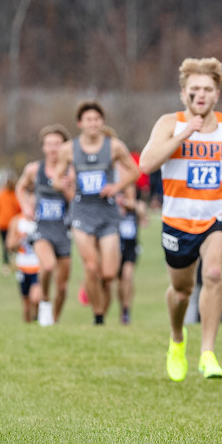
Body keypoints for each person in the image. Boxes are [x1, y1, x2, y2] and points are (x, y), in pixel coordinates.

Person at [139, 57, 222, 381]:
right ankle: (177, 339)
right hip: (178, 221)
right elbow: (146, 164)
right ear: (183, 93)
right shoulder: (170, 123)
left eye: (208, 89)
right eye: (195, 89)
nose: (201, 95)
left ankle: (208, 353)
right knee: (182, 291)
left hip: (218, 215)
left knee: (213, 273)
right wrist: (183, 134)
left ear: (217, 94)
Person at [55, 102, 140, 326]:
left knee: (109, 274)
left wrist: (117, 186)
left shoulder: (114, 147)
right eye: (88, 120)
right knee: (91, 266)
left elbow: (134, 171)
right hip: (81, 212)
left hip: (108, 213)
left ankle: (97, 297)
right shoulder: (69, 149)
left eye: (96, 119)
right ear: (80, 123)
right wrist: (63, 184)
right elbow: (56, 178)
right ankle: (98, 315)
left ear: (102, 122)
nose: (93, 123)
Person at [17, 124, 75, 326]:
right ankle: (45, 302)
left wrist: (66, 189)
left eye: (57, 144)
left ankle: (54, 320)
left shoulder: (70, 171)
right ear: (43, 147)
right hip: (42, 229)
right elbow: (20, 188)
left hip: (63, 231)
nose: (53, 148)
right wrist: (26, 206)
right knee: (48, 266)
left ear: (65, 146)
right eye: (49, 144)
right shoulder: (34, 169)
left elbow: (75, 200)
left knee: (62, 286)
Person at [115, 184, 145, 325]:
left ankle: (126, 310)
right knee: (120, 281)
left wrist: (129, 205)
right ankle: (123, 308)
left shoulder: (136, 206)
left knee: (127, 275)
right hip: (115, 245)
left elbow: (143, 217)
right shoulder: (114, 205)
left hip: (131, 246)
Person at [6, 211, 42, 323]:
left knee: (35, 298)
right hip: (22, 267)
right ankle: (28, 326)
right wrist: (20, 237)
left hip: (38, 267)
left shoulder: (41, 219)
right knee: (26, 302)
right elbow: (9, 245)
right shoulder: (17, 221)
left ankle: (37, 317)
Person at [0, 177, 21, 274]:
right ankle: (8, 264)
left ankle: (10, 264)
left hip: (9, 225)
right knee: (8, 244)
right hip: (7, 225)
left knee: (8, 245)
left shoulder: (3, 194)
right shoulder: (9, 195)